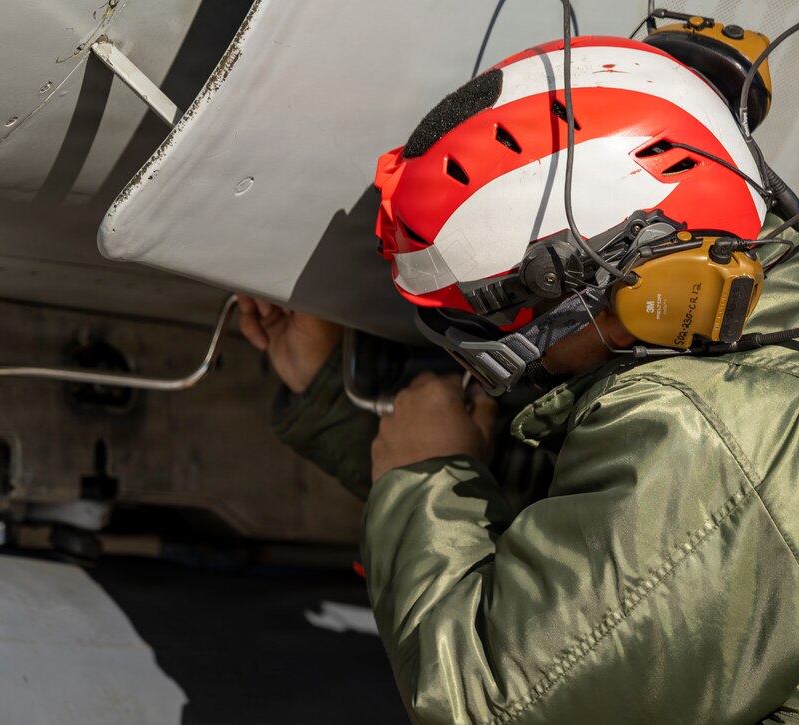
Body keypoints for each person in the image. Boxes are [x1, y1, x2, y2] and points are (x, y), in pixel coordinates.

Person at [241, 35, 799, 723]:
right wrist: (335, 390)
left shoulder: (714, 439)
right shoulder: (735, 379)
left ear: (634, 301)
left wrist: (426, 478)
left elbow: (492, 703)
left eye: (490, 341)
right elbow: (582, 549)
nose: (496, 368)